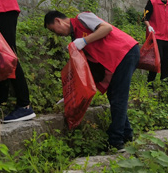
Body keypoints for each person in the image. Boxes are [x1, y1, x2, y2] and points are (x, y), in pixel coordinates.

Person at [44, 10, 140, 149]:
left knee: (118, 97)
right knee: (114, 96)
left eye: (54, 30)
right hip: (116, 60)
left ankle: (116, 141)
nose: (56, 34)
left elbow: (107, 28)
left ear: (59, 21)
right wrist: (72, 94)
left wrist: (84, 40)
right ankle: (126, 134)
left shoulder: (82, 18)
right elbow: (88, 70)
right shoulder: (75, 38)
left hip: (125, 52)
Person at [142, 0, 168, 84]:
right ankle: (150, 82)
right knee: (156, 60)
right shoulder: (152, 2)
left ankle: (164, 84)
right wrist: (149, 27)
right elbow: (145, 17)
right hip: (156, 36)